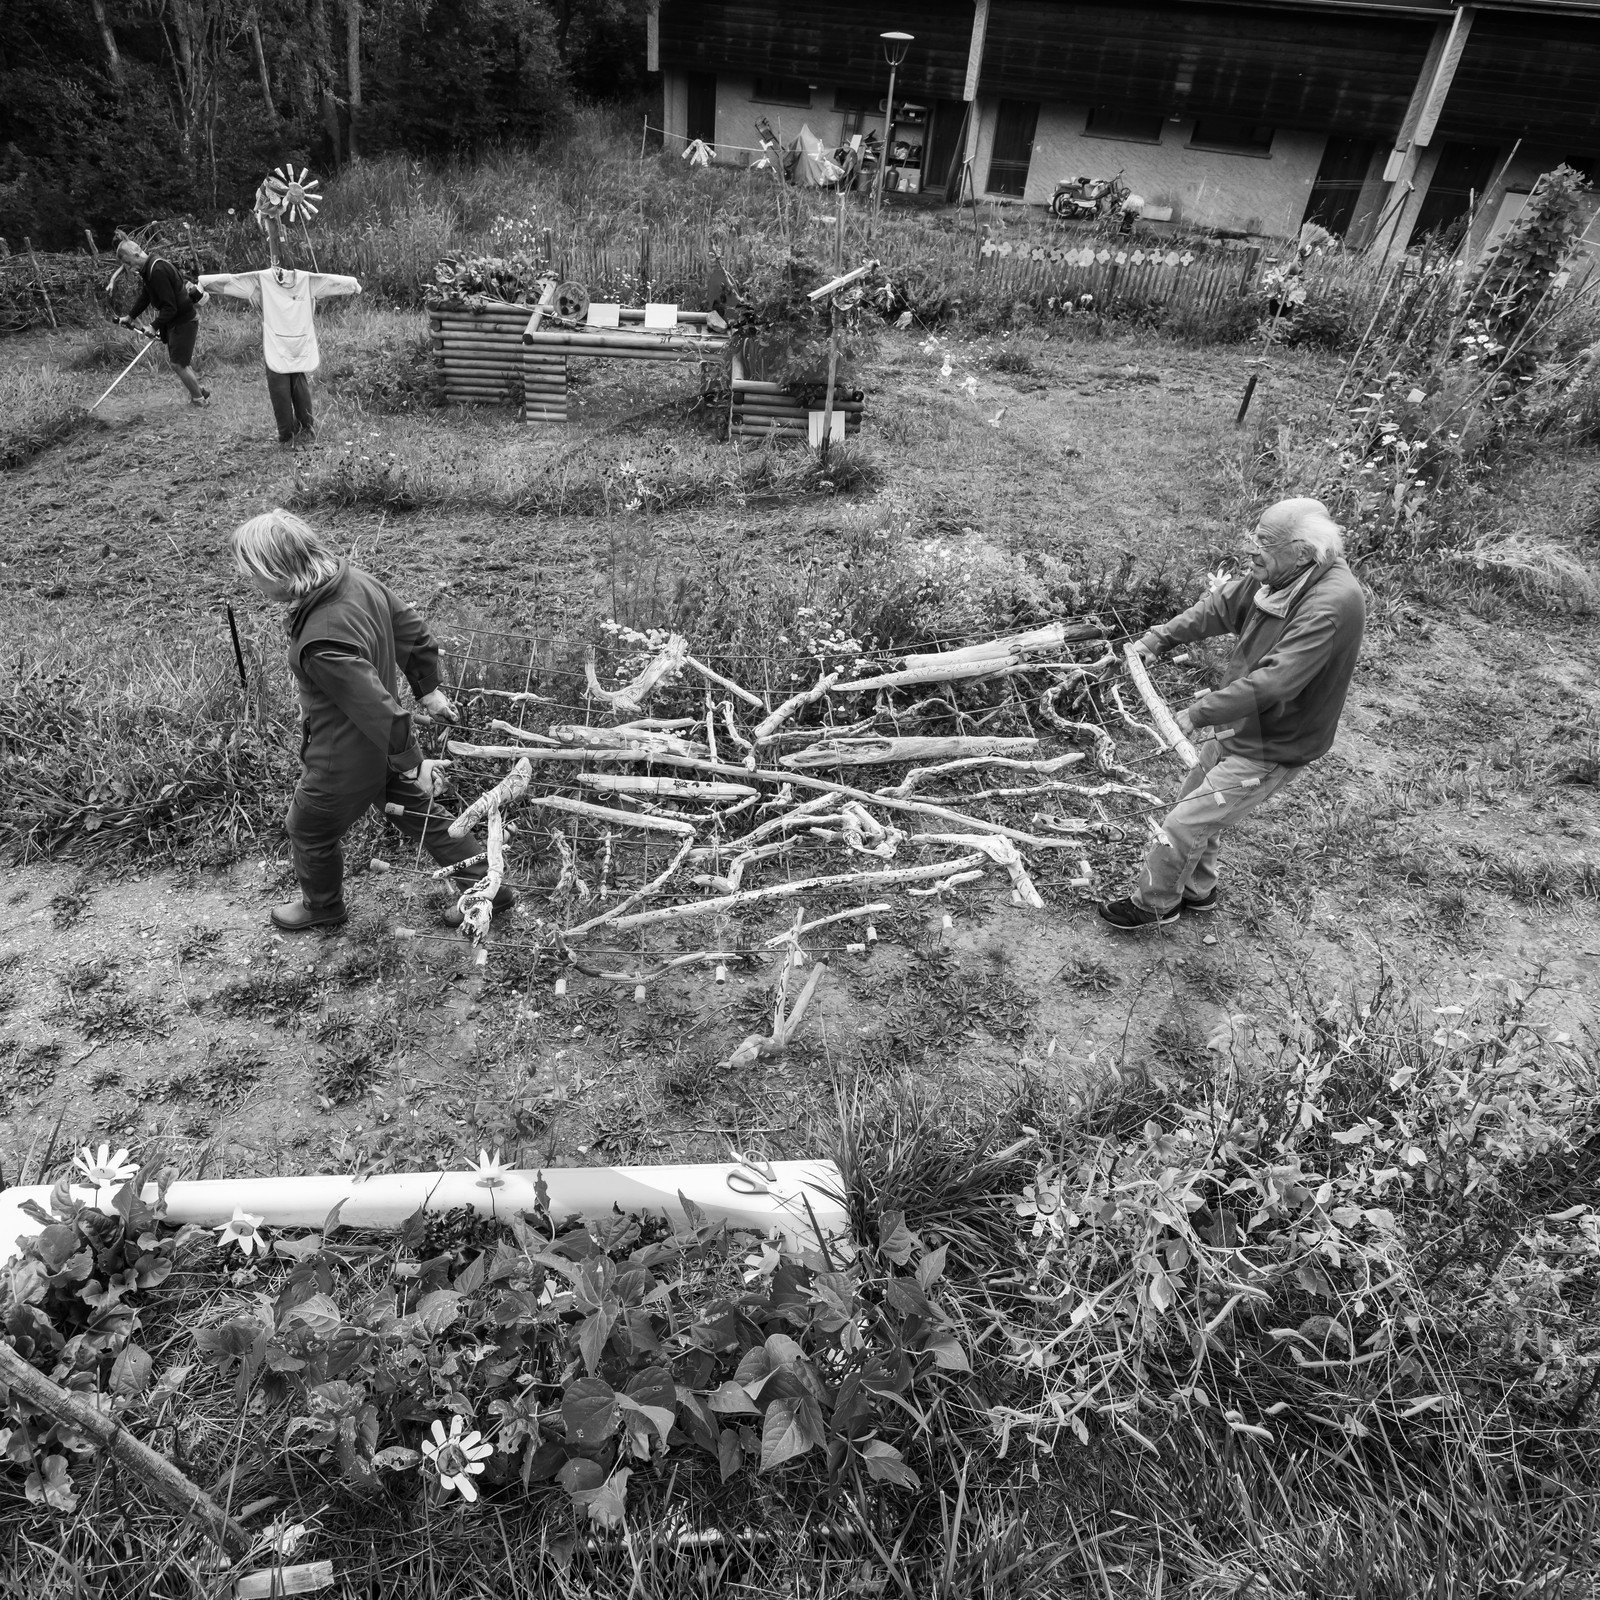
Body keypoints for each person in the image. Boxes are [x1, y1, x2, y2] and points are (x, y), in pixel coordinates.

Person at [231, 509, 517, 933]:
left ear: (277, 570)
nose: (252, 584)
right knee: (421, 816)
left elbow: (374, 706)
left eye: (254, 575)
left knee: (307, 828)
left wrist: (414, 762)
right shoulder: (351, 580)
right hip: (384, 745)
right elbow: (409, 628)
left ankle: (322, 906)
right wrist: (428, 688)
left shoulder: (322, 640)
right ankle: (487, 887)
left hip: (343, 756)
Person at [1098, 498, 1366, 932]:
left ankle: (1154, 905)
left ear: (1300, 550)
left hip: (1275, 741)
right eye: (1254, 537)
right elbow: (1221, 606)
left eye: (1264, 542)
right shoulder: (1283, 575)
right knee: (1199, 805)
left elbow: (1276, 683)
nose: (1252, 550)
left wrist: (1200, 712)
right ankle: (1198, 891)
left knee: (1183, 821)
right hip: (1241, 723)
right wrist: (1157, 640)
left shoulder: (1330, 604)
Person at [198, 263, 361, 444]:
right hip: (299, 342)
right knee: (299, 381)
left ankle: (286, 434)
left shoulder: (259, 280)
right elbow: (330, 281)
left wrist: (203, 282)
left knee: (279, 386)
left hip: (276, 343)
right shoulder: (307, 280)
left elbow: (231, 281)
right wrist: (353, 284)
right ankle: (307, 428)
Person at [114, 240, 209, 406]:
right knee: (180, 362)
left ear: (136, 254)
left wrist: (153, 326)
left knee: (178, 364)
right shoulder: (149, 269)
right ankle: (199, 391)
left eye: (128, 263)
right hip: (176, 320)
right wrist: (130, 316)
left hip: (183, 320)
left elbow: (170, 307)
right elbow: (146, 295)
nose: (128, 268)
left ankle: (199, 400)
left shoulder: (157, 270)